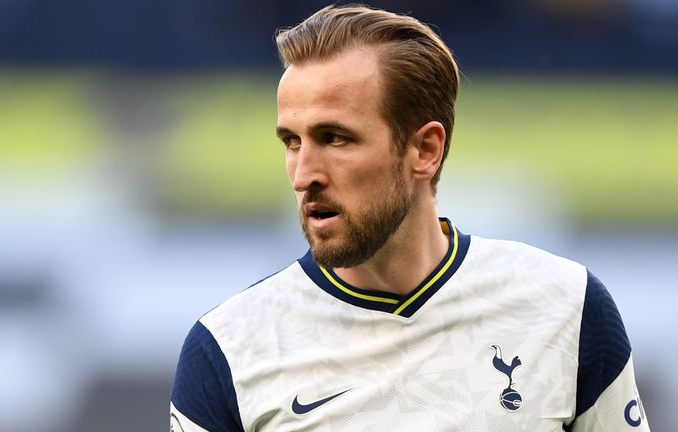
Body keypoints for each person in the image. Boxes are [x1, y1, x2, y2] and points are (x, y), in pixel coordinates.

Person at [170, 4, 650, 431]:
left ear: (425, 149)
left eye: (335, 138)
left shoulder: (567, 306)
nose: (303, 175)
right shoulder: (228, 350)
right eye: (292, 142)